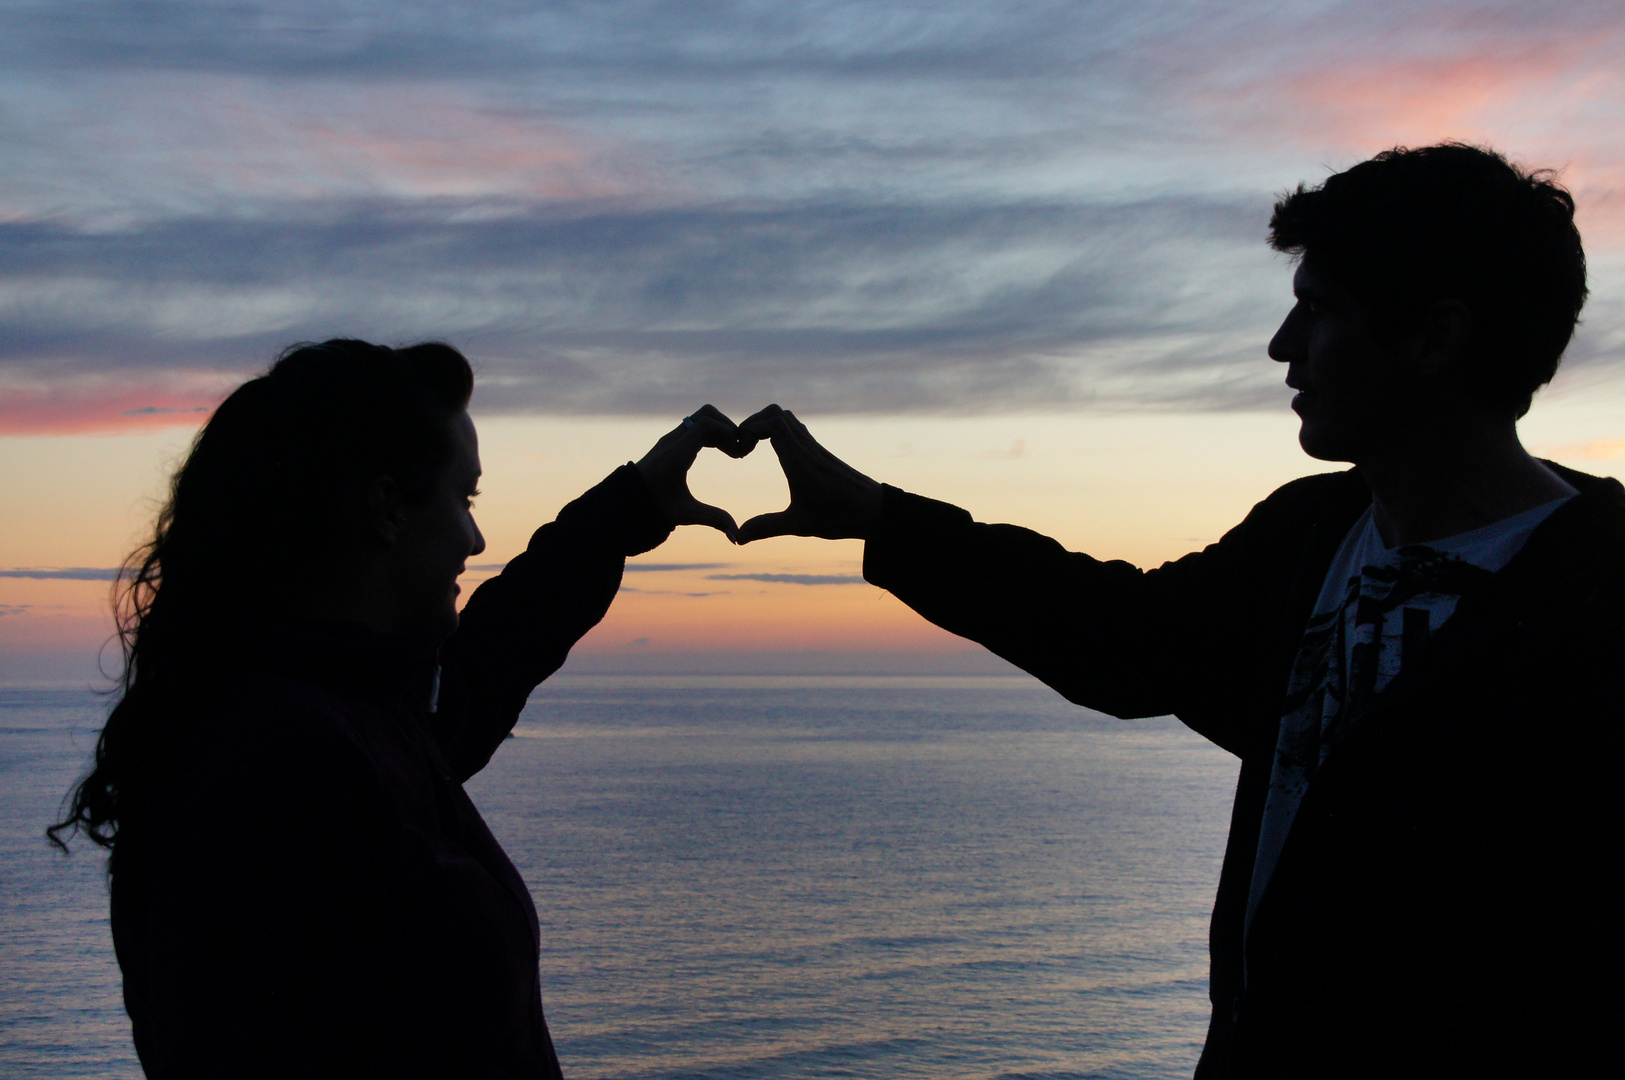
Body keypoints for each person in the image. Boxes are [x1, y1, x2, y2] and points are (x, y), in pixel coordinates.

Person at [734, 144, 1624, 1076]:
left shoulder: (1597, 605)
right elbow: (1126, 641)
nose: (1282, 346)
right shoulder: (1311, 534)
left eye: (1317, 311)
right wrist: (880, 518)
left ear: (1435, 339)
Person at [48, 339, 746, 1078]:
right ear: (386, 508)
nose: (475, 537)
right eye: (463, 499)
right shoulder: (278, 767)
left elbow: (486, 665)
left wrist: (630, 508)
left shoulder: (346, 713)